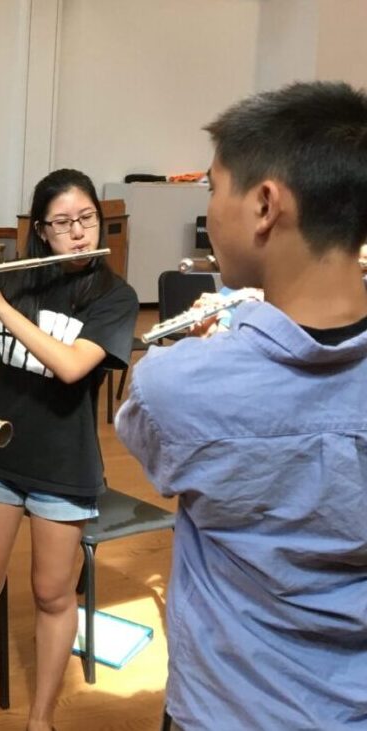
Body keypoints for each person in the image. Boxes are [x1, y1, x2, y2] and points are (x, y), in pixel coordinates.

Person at [116, 81, 367, 730]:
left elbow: (154, 450)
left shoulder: (175, 383)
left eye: (211, 186)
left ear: (263, 204)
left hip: (227, 705)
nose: (209, 206)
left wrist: (214, 348)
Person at [0, 169, 138, 731]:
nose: (79, 233)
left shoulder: (115, 295)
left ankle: (40, 719)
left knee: (51, 595)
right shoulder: (17, 279)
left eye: (87, 219)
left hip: (64, 467)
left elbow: (71, 367)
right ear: (41, 230)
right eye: (63, 224)